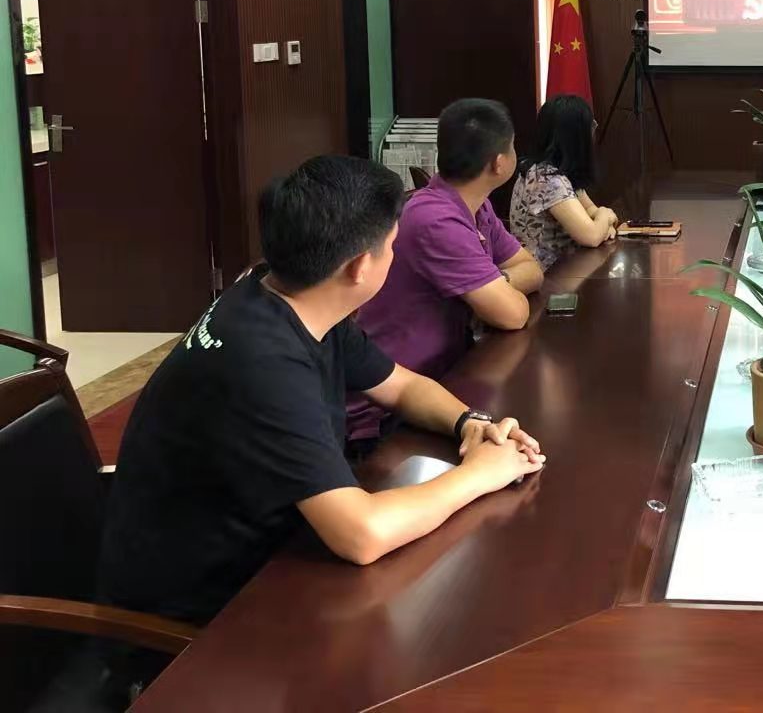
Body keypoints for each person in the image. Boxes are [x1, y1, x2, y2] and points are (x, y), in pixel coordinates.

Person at [97, 156, 546, 630]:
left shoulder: (287, 295)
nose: (396, 258)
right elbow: (362, 534)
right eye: (393, 246)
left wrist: (470, 423)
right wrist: (480, 475)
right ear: (360, 267)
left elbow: (402, 385)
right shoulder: (264, 363)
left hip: (273, 555)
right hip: (199, 619)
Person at [351, 98, 544, 442]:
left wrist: (496, 281)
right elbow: (512, 314)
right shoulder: (435, 219)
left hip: (443, 379)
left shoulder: (475, 205)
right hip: (391, 408)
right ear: (499, 163)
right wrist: (497, 290)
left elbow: (531, 268)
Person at [509, 94, 619, 269]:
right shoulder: (547, 179)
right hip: (547, 276)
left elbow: (591, 210)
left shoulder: (557, 171)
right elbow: (591, 236)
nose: (593, 132)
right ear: (577, 136)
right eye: (591, 126)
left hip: (567, 268)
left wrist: (602, 224)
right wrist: (605, 215)